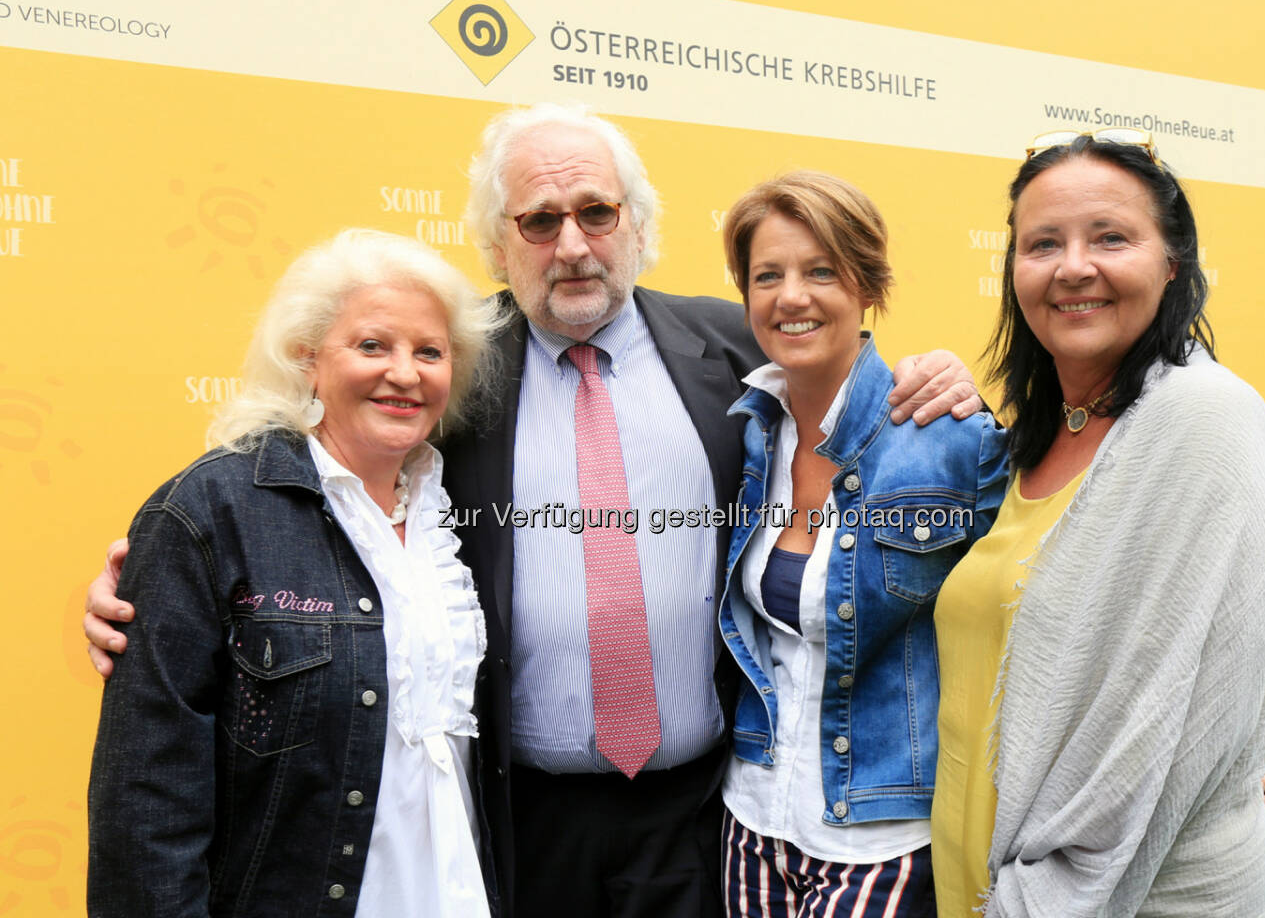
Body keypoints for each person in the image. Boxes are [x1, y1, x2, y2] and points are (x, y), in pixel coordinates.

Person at [83, 102, 984, 918]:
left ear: (637, 223)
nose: (574, 244)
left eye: (597, 212)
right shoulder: (451, 367)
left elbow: (845, 390)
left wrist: (935, 373)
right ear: (497, 243)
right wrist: (169, 586)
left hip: (703, 814)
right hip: (517, 820)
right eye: (540, 221)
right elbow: (315, 491)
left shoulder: (732, 345)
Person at [929, 129, 1265, 917]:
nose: (1072, 267)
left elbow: (1150, 732)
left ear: (1172, 263)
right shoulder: (1026, 441)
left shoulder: (1204, 420)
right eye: (1042, 244)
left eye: (1111, 238)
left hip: (1120, 897)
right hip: (983, 881)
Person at [87, 229, 504, 917]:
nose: (405, 372)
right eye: (372, 345)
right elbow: (146, 798)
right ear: (308, 358)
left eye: (429, 351)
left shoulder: (452, 516)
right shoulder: (213, 510)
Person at [715, 172, 1008, 917]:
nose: (792, 297)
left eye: (821, 271)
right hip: (753, 815)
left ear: (868, 285)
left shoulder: (950, 443)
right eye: (767, 276)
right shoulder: (750, 435)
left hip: (882, 834)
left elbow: (1062, 600)